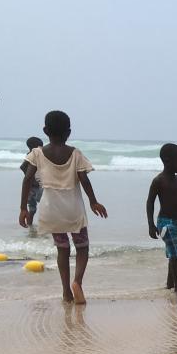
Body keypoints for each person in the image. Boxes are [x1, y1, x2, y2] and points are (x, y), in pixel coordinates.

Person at [19, 111, 108, 304]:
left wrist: (23, 208)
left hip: (51, 209)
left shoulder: (37, 153)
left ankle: (66, 292)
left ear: (45, 131)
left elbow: (27, 179)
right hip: (72, 208)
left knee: (63, 250)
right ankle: (77, 282)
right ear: (68, 132)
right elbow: (84, 179)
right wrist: (94, 201)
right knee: (82, 247)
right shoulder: (75, 154)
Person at [147, 144, 177, 296]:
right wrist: (151, 224)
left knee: (174, 251)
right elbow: (150, 202)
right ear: (168, 161)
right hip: (165, 222)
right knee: (175, 254)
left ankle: (170, 283)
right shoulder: (159, 181)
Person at [20, 136, 44, 235]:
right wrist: (29, 175)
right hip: (35, 185)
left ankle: (30, 226)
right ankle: (30, 226)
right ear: (35, 147)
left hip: (34, 186)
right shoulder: (31, 156)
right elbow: (22, 167)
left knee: (33, 208)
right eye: (40, 146)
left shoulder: (32, 155)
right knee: (36, 207)